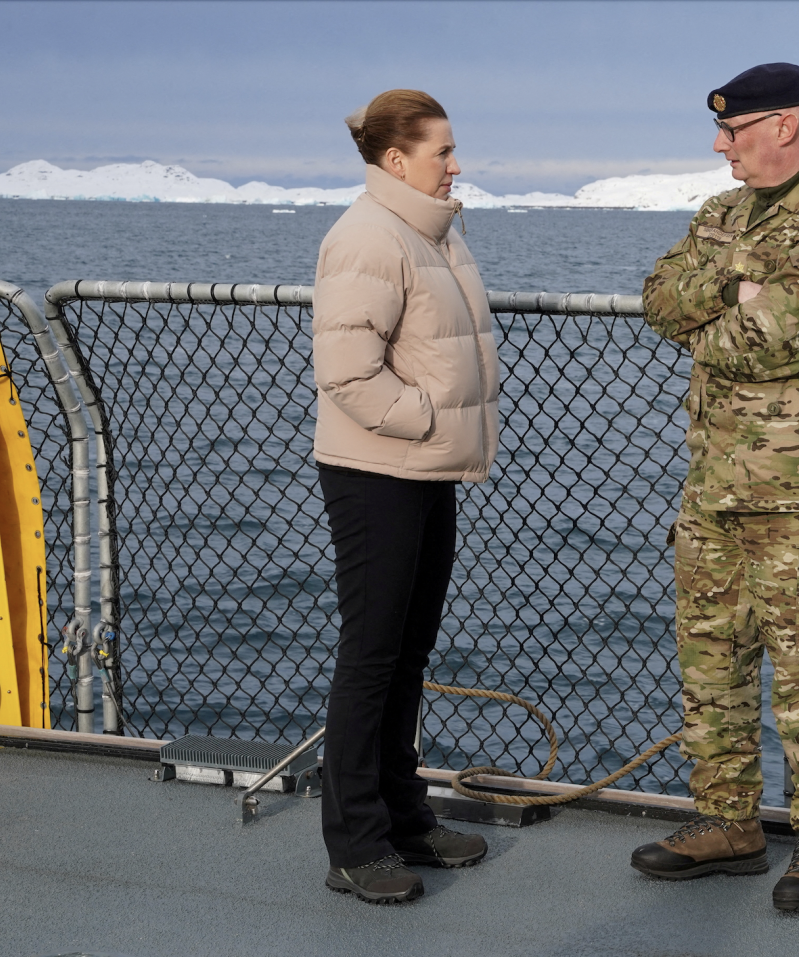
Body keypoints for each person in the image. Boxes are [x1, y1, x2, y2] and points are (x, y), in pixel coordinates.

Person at [632, 63, 799, 914]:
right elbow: (659, 299)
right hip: (712, 485)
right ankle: (726, 820)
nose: (719, 146)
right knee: (711, 663)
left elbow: (774, 338)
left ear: (785, 125)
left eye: (733, 132)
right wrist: (730, 291)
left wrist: (725, 309)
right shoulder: (721, 214)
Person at [311, 89, 500, 905]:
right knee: (372, 655)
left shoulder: (431, 231)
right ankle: (356, 843)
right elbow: (347, 371)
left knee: (409, 652)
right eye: (442, 151)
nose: (456, 165)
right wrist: (425, 420)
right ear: (397, 160)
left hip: (422, 469)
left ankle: (403, 815)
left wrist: (435, 436)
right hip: (378, 472)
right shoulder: (366, 238)